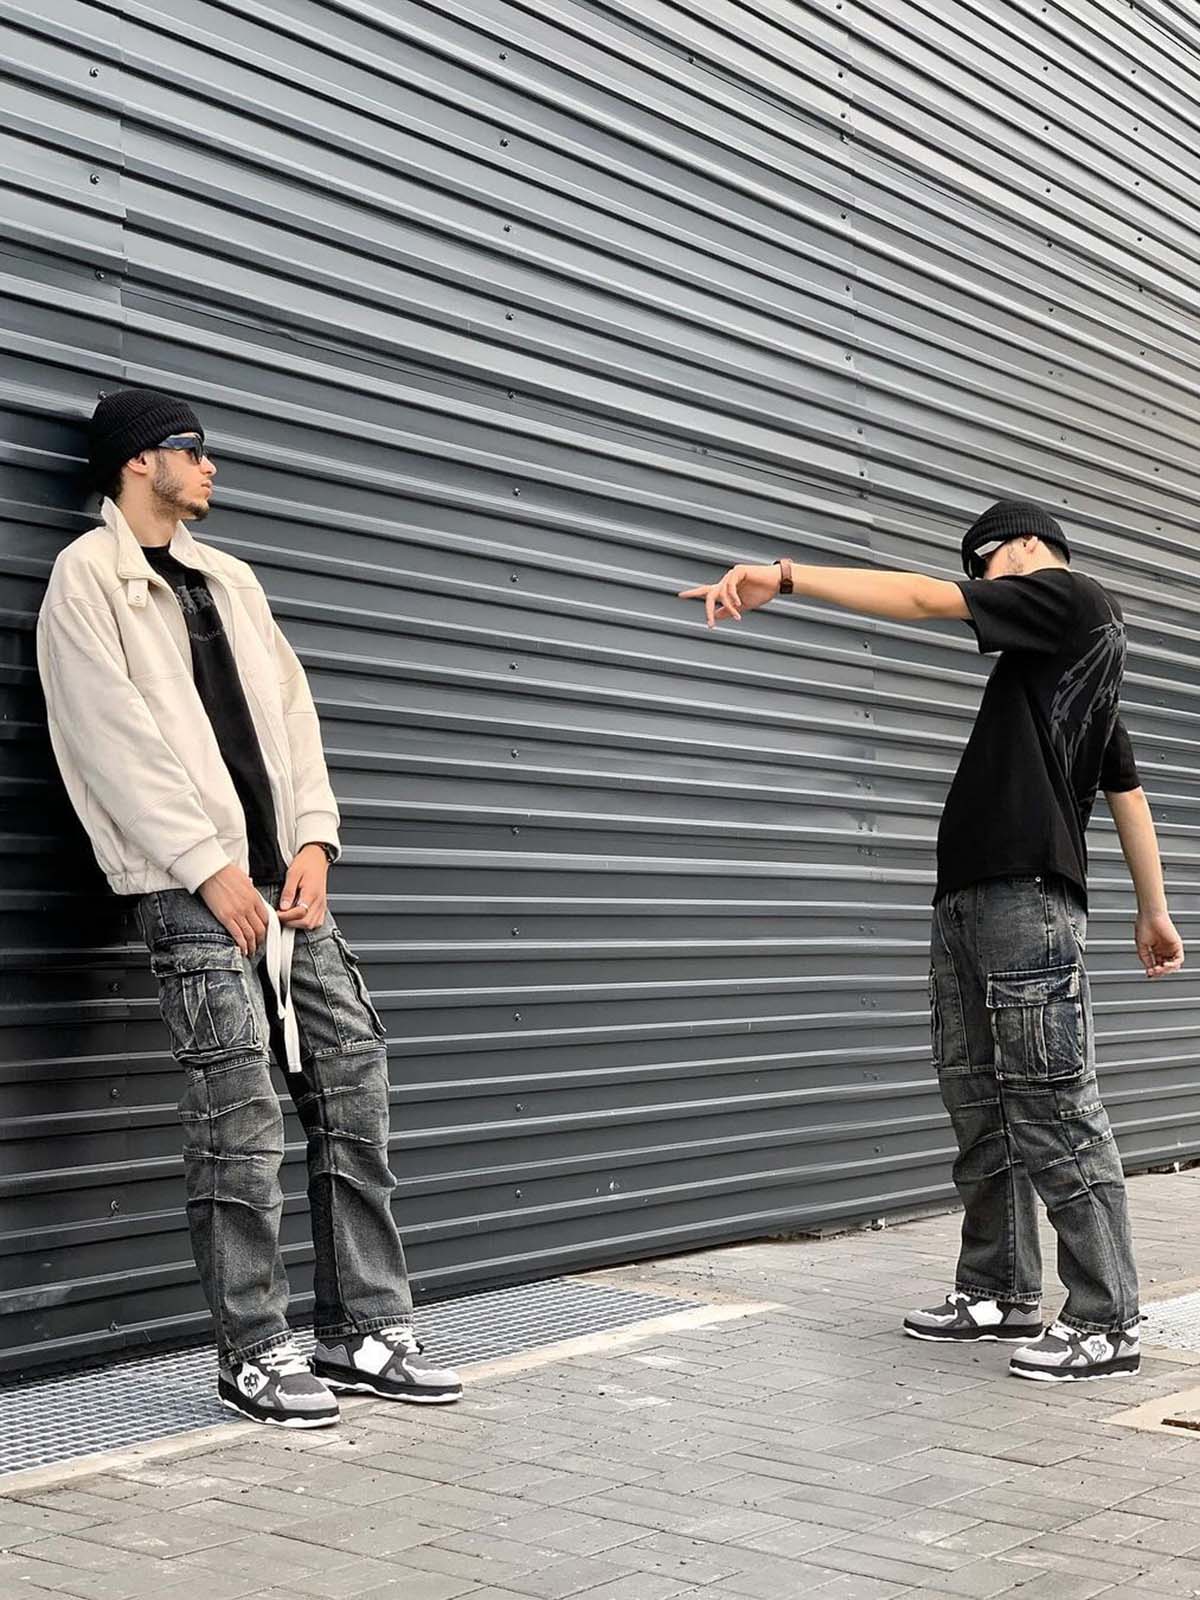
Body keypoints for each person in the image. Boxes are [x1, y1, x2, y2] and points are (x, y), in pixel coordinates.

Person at [679, 500, 1184, 1383]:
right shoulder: (1063, 663)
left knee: (1053, 1105)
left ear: (1025, 548)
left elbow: (919, 600)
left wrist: (788, 576)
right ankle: (997, 1289)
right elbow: (1126, 788)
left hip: (1024, 899)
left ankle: (1107, 1319)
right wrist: (1155, 909)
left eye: (982, 565)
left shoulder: (1074, 599)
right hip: (972, 900)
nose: (979, 587)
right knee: (978, 1104)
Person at [37, 388, 461, 1426]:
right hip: (187, 891)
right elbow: (107, 740)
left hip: (284, 886)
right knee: (238, 1112)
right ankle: (254, 1349)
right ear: (141, 463)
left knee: (353, 1075)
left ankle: (363, 1326)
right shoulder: (87, 583)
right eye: (192, 448)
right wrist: (202, 863)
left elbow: (292, 715)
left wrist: (314, 839)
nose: (210, 465)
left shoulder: (230, 578)